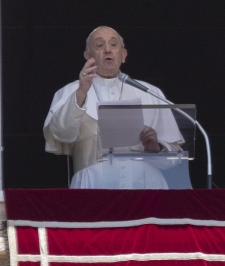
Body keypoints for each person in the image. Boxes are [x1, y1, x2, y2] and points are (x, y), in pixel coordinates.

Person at [44, 27, 185, 189]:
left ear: (123, 55)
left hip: (146, 185)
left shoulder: (151, 93)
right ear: (88, 56)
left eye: (113, 44)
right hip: (93, 184)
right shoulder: (69, 91)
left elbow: (175, 157)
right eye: (99, 45)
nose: (107, 50)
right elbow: (62, 134)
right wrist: (82, 92)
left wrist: (156, 147)